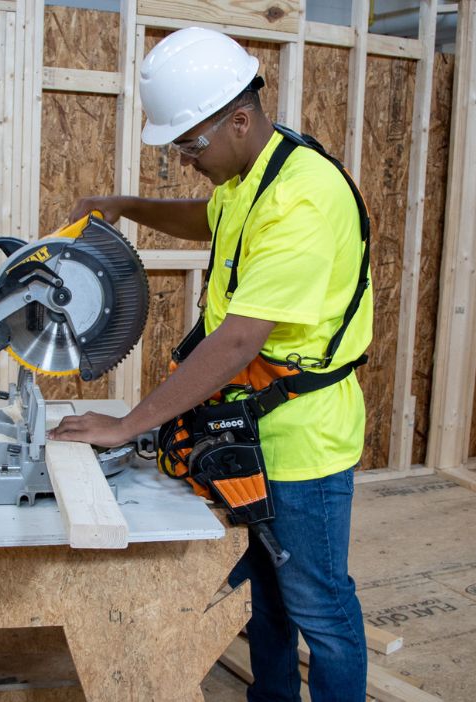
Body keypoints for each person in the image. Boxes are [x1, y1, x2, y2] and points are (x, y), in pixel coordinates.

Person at [49, 26, 372, 702]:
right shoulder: (253, 171)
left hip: (301, 443)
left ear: (241, 120)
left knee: (321, 609)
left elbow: (234, 343)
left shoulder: (303, 197)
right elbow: (213, 219)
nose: (185, 160)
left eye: (189, 145)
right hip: (249, 433)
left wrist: (127, 424)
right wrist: (131, 207)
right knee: (268, 603)